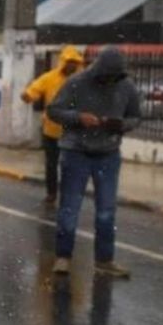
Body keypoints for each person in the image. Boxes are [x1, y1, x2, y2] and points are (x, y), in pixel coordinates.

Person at [47, 46, 140, 278]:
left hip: (108, 153)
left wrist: (120, 125)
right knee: (70, 208)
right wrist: (79, 118)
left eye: (114, 76)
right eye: (106, 75)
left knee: (106, 211)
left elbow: (135, 116)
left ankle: (105, 260)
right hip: (76, 152)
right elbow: (54, 111)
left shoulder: (126, 87)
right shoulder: (77, 83)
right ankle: (63, 257)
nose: (109, 80)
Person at [21, 45, 86, 204]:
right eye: (69, 61)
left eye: (74, 62)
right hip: (51, 130)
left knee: (69, 166)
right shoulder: (50, 78)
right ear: (63, 62)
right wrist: (28, 96)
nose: (71, 65)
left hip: (72, 131)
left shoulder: (82, 80)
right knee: (51, 165)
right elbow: (35, 89)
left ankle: (68, 193)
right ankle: (52, 193)